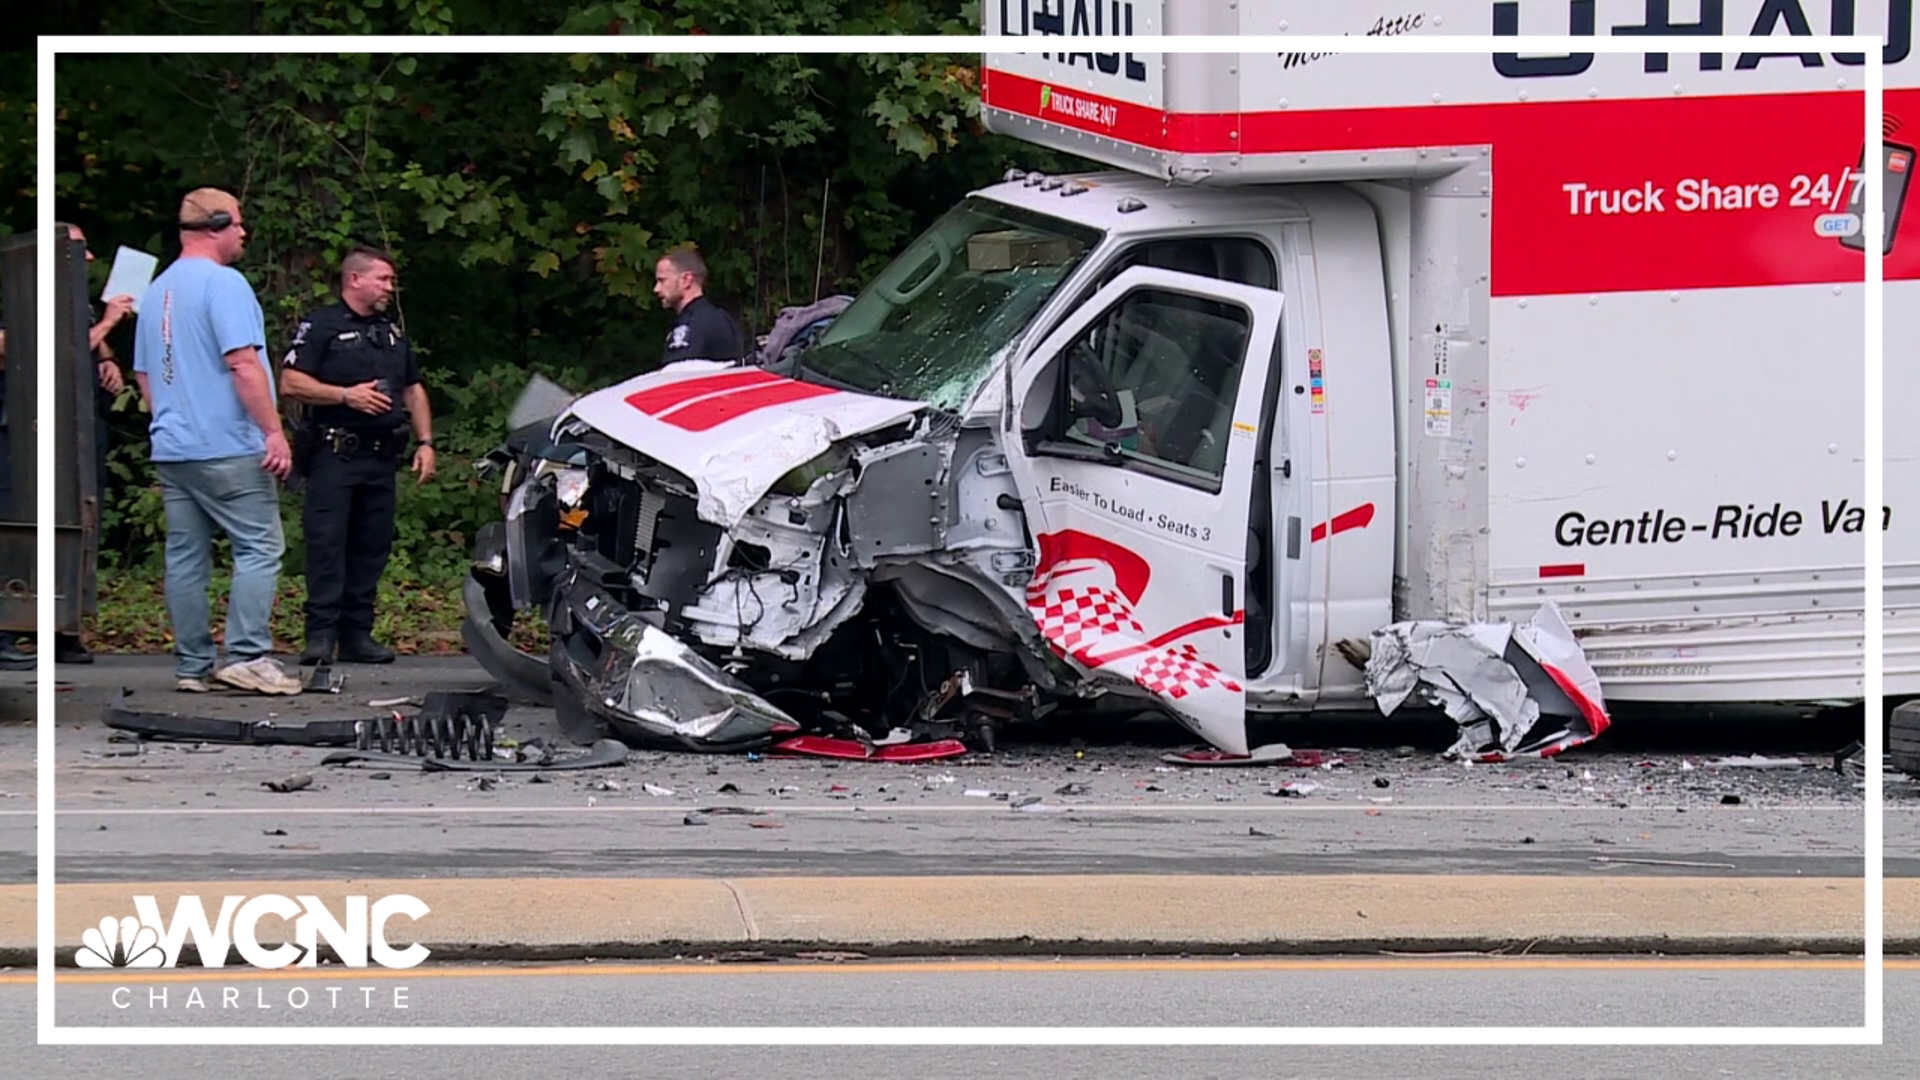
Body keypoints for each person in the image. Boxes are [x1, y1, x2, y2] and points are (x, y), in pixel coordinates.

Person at [131, 188, 302, 696]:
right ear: (217, 226)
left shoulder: (157, 290)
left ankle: (192, 665)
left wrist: (174, 414)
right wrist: (273, 430)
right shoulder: (224, 285)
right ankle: (247, 656)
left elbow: (145, 374)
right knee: (259, 546)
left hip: (174, 446)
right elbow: (242, 362)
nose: (244, 232)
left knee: (185, 555)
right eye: (239, 224)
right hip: (226, 444)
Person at [278, 246, 435, 666]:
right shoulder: (321, 325)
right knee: (327, 545)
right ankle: (320, 635)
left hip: (381, 457)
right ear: (355, 280)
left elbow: (412, 387)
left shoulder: (391, 332)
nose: (389, 287)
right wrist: (345, 395)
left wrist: (426, 442)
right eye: (382, 279)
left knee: (371, 547)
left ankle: (357, 635)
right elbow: (291, 383)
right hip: (335, 452)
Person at [653, 246, 743, 365]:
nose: (656, 289)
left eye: (662, 280)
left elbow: (677, 375)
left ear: (686, 280)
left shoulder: (694, 325)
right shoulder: (717, 318)